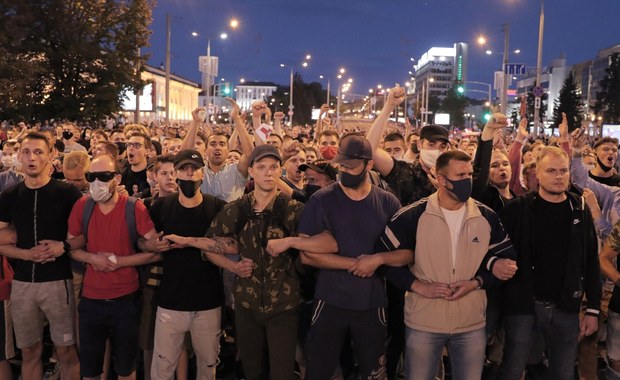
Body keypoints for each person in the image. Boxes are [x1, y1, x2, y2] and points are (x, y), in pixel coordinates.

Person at [377, 150, 517, 380]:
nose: (467, 181)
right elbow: (382, 259)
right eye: (460, 175)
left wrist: (477, 282)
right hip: (424, 321)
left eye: (470, 174)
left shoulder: (486, 216)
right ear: (441, 179)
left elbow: (506, 261)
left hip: (470, 322)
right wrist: (417, 286)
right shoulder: (413, 215)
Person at [297, 134, 402, 380]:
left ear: (369, 165)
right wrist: (357, 263)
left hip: (372, 303)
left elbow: (405, 253)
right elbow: (306, 255)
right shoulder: (321, 199)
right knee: (318, 371)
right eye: (341, 166)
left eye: (350, 167)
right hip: (329, 300)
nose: (344, 171)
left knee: (374, 372)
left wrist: (378, 260)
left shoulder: (388, 202)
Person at [498, 146, 601, 380]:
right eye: (552, 170)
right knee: (513, 369)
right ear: (537, 174)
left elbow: (591, 261)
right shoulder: (517, 209)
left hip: (566, 306)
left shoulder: (579, 209)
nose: (559, 176)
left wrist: (593, 309)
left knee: (563, 372)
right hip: (523, 305)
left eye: (563, 170)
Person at [205, 144, 304, 380]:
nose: (268, 173)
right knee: (252, 370)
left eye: (273, 167)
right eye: (261, 167)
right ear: (251, 171)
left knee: (282, 371)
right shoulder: (237, 208)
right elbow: (210, 245)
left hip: (284, 305)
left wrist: (290, 241)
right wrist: (233, 266)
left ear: (280, 171)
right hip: (246, 304)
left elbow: (320, 244)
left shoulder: (293, 209)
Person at [67, 152, 162, 380]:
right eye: (91, 177)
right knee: (90, 370)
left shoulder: (133, 208)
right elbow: (70, 246)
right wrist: (93, 259)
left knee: (126, 368)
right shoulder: (83, 206)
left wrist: (117, 261)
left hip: (126, 299)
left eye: (104, 176)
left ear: (117, 179)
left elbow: (155, 252)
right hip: (91, 299)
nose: (96, 183)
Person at [0, 132, 82, 380]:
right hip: (23, 284)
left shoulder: (67, 193)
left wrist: (62, 247)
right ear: (19, 156)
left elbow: (83, 237)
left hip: (59, 282)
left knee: (67, 351)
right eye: (26, 152)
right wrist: (25, 254)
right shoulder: (9, 196)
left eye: (38, 152)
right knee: (30, 352)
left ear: (51, 156)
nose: (31, 158)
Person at [147, 149, 227, 380]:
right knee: (162, 368)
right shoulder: (162, 207)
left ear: (203, 173)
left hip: (208, 303)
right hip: (170, 301)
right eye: (184, 169)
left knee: (208, 366)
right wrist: (152, 245)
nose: (190, 174)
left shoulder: (217, 207)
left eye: (194, 169)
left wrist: (190, 242)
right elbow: (143, 241)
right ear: (176, 173)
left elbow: (232, 245)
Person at [120, 132, 152, 197]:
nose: (131, 148)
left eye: (137, 145)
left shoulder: (153, 176)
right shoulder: (122, 175)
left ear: (147, 151)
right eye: (129, 145)